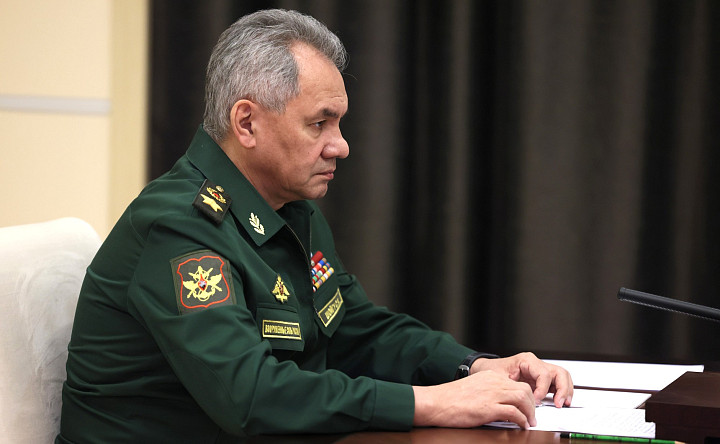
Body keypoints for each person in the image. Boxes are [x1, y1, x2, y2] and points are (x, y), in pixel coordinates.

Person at [57, 9, 572, 443]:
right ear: (247, 123)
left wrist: (471, 366)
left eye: (339, 123)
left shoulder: (288, 207)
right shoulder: (180, 226)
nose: (340, 145)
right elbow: (252, 396)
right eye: (319, 123)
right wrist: (432, 402)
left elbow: (352, 328)